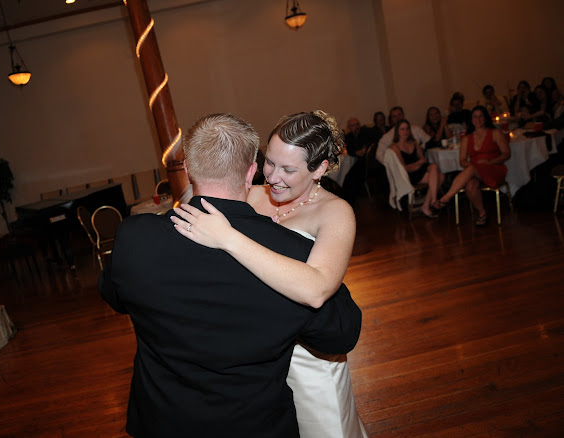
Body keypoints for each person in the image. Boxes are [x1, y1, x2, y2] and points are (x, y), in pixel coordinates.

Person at [98, 113, 363, 438]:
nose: (274, 178)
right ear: (254, 167)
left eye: (289, 169)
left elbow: (319, 290)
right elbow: (196, 210)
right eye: (270, 163)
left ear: (320, 169)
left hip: (302, 354)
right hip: (260, 361)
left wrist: (228, 238)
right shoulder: (254, 194)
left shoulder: (335, 213)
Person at [434, 106, 510, 226]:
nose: (478, 119)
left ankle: (446, 198)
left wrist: (490, 162)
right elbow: (462, 161)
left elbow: (506, 154)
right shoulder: (466, 138)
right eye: (475, 116)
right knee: (470, 185)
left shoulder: (495, 133)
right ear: (471, 119)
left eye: (481, 116)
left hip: (494, 169)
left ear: (485, 118)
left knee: (472, 170)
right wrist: (474, 166)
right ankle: (482, 213)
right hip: (476, 170)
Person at [390, 119, 444, 218]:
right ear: (397, 131)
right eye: (402, 129)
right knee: (439, 176)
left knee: (437, 171)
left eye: (407, 129)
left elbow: (423, 158)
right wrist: (418, 164)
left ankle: (429, 203)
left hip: (419, 170)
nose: (405, 132)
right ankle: (431, 203)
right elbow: (404, 168)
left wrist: (417, 164)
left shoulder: (413, 142)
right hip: (408, 175)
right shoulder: (395, 147)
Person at [341, 117, 370, 205]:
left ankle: (349, 201)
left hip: (366, 164)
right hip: (353, 163)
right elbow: (350, 150)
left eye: (357, 124)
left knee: (352, 176)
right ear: (349, 128)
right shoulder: (348, 137)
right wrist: (357, 152)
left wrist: (365, 148)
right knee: (346, 176)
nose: (356, 127)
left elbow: (371, 142)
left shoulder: (365, 133)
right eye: (353, 125)